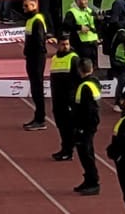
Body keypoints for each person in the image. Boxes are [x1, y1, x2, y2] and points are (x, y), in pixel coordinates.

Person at [70, 57, 104, 196]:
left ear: (79, 70)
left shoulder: (85, 87)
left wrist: (81, 127)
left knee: (86, 153)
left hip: (85, 126)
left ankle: (93, 182)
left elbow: (87, 109)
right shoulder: (93, 83)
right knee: (86, 153)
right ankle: (89, 179)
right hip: (89, 125)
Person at [48, 32, 80, 161]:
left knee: (68, 126)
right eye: (63, 44)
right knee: (61, 125)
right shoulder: (55, 59)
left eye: (67, 44)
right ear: (58, 45)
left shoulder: (74, 58)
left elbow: (79, 79)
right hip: (58, 99)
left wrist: (74, 99)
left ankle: (68, 150)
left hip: (69, 99)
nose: (65, 46)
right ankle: (65, 148)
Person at [21, 0, 50, 129]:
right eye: (24, 6)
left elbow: (39, 41)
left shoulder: (37, 20)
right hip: (32, 57)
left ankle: (40, 119)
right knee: (35, 88)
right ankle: (38, 117)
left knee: (37, 88)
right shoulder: (30, 20)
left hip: (36, 57)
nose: (24, 8)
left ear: (34, 6)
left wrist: (34, 54)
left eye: (27, 6)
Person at [68, 0, 101, 68]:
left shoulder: (89, 11)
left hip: (92, 44)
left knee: (92, 67)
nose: (86, 2)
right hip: (80, 45)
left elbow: (94, 25)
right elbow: (66, 26)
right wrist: (79, 27)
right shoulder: (71, 12)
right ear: (77, 0)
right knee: (82, 67)